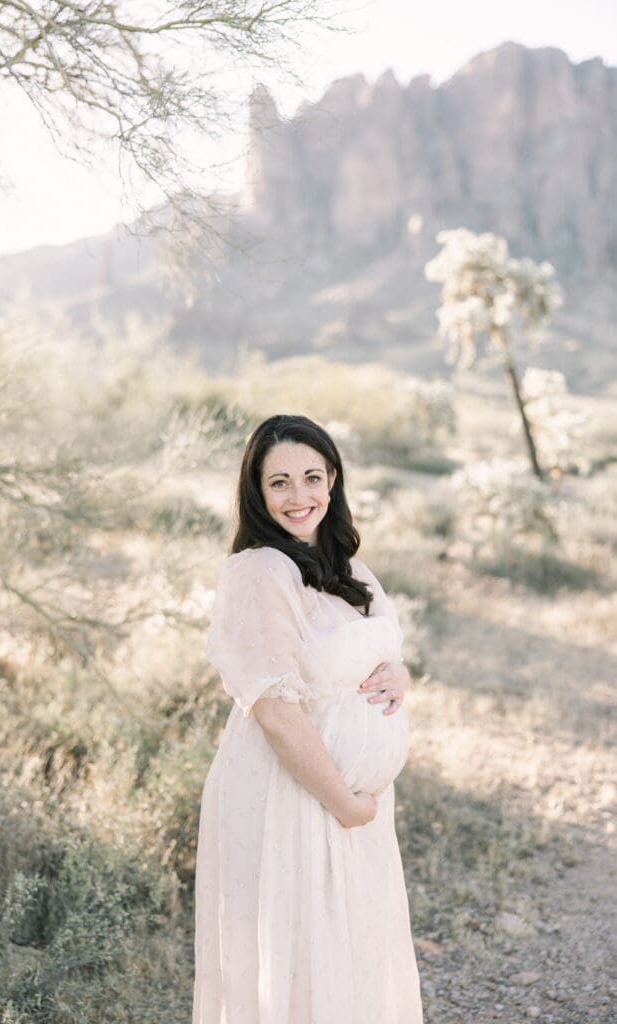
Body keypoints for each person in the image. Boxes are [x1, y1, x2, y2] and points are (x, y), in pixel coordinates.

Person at [192, 414, 423, 1024]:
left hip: (351, 807)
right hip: (292, 797)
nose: (299, 497)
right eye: (280, 483)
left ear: (333, 479)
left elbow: (375, 653)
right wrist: (344, 803)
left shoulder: (347, 567)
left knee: (349, 960)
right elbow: (273, 709)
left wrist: (398, 674)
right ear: (257, 492)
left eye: (312, 478)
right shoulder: (260, 570)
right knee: (301, 964)